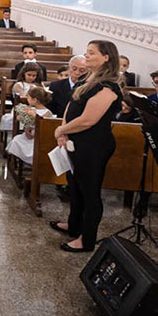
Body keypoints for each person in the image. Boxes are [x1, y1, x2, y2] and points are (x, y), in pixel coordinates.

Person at [49, 40, 123, 252]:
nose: (87, 56)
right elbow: (71, 106)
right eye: (86, 52)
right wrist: (63, 130)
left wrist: (63, 130)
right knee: (75, 187)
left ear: (106, 57)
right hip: (76, 141)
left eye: (92, 53)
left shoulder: (109, 86)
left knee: (90, 192)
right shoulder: (86, 79)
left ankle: (86, 239)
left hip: (93, 145)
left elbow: (88, 119)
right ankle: (73, 225)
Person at [6, 86, 53, 166]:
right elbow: (28, 124)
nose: (27, 100)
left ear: (35, 100)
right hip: (29, 135)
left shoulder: (46, 112)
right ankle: (15, 163)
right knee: (16, 140)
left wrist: (34, 117)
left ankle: (33, 163)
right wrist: (27, 129)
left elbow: (44, 127)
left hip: (39, 138)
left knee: (30, 148)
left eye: (29, 98)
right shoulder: (30, 109)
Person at [0, 63, 42, 133]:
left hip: (36, 109)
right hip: (22, 108)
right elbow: (22, 98)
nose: (31, 77)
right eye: (29, 75)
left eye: (34, 75)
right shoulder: (19, 85)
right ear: (24, 74)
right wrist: (30, 91)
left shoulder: (37, 85)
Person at [48, 55, 88, 120]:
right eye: (74, 69)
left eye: (82, 70)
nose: (77, 72)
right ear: (69, 68)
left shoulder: (89, 87)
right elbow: (51, 108)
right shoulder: (56, 86)